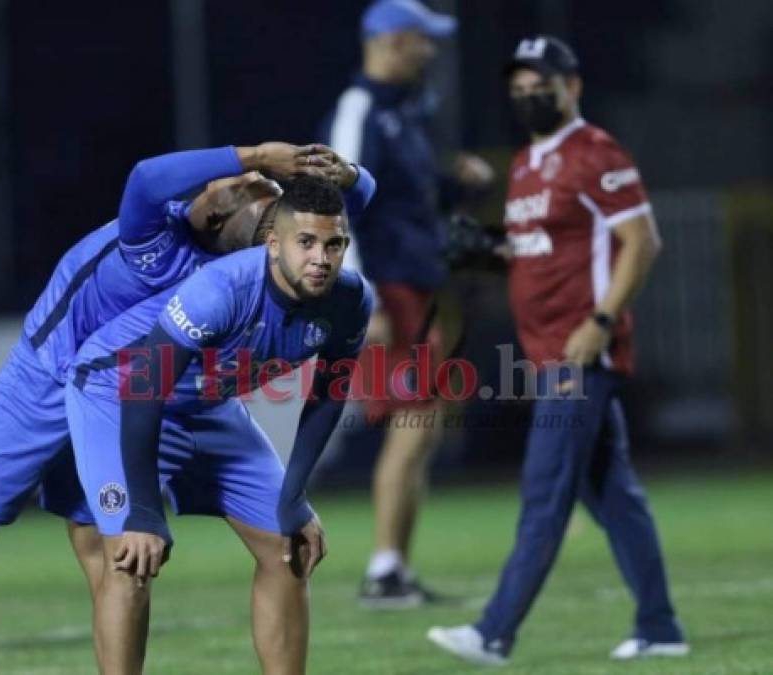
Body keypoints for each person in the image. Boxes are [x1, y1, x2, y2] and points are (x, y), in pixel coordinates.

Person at [0, 141, 330, 674]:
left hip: (153, 391)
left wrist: (292, 166)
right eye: (258, 203)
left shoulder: (238, 268)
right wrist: (269, 158)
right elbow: (145, 178)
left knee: (121, 552)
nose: (270, 232)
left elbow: (320, 230)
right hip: (49, 375)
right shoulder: (157, 232)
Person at [427, 36, 689, 666]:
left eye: (541, 85)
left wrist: (602, 319)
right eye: (518, 89)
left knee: (546, 490)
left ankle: (495, 631)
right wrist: (492, 251)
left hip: (577, 352)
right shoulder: (525, 163)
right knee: (615, 497)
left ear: (573, 86)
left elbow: (642, 239)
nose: (528, 97)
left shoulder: (594, 152)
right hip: (545, 350)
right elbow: (538, 248)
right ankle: (660, 627)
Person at [66, 174, 374, 674]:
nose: (321, 257)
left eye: (334, 243)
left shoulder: (350, 299)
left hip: (208, 404)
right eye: (306, 242)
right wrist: (143, 510)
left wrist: (293, 495)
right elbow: (145, 385)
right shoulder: (222, 289)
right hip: (119, 394)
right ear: (274, 244)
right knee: (133, 555)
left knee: (288, 546)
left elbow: (328, 394)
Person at [321, 0, 493, 607]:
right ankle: (384, 570)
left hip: (416, 285)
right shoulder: (361, 107)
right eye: (423, 41)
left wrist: (455, 183)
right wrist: (357, 295)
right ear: (393, 41)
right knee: (415, 418)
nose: (430, 51)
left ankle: (394, 568)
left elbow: (405, 195)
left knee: (425, 418)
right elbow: (335, 201)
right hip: (385, 289)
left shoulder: (404, 112)